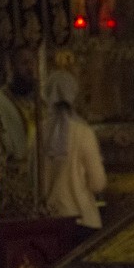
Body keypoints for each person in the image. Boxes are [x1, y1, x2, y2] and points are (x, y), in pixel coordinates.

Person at [41, 69, 108, 239]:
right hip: (82, 219)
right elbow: (98, 183)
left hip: (47, 222)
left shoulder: (38, 133)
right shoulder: (83, 132)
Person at [0, 45, 42, 218]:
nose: (30, 69)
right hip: (14, 185)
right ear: (11, 67)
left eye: (32, 63)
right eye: (24, 63)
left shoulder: (39, 99)